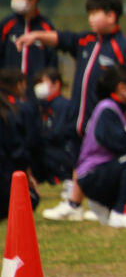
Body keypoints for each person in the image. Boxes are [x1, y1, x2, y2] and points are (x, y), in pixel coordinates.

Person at [16, 0, 126, 221]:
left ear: (111, 15)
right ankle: (75, 204)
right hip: (79, 116)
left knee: (99, 162)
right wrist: (36, 36)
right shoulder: (86, 40)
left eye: (95, 13)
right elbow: (61, 38)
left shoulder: (122, 47)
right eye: (89, 13)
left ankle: (95, 203)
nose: (91, 18)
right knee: (79, 159)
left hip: (102, 121)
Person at [71, 65, 126, 228]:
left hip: (112, 169)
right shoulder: (107, 108)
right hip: (92, 174)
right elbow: (118, 143)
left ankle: (115, 206)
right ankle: (121, 211)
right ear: (121, 87)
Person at [0, 0, 58, 100]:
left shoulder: (46, 28)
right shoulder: (7, 25)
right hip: (8, 95)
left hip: (35, 97)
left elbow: (52, 62)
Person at [30, 68, 79, 201]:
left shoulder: (63, 105)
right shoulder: (38, 105)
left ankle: (64, 180)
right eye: (38, 83)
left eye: (43, 82)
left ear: (56, 84)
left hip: (61, 152)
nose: (39, 86)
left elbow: (58, 132)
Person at [0, 68, 39, 218]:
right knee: (32, 199)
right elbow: (20, 150)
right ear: (18, 84)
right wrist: (27, 175)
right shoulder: (16, 111)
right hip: (6, 179)